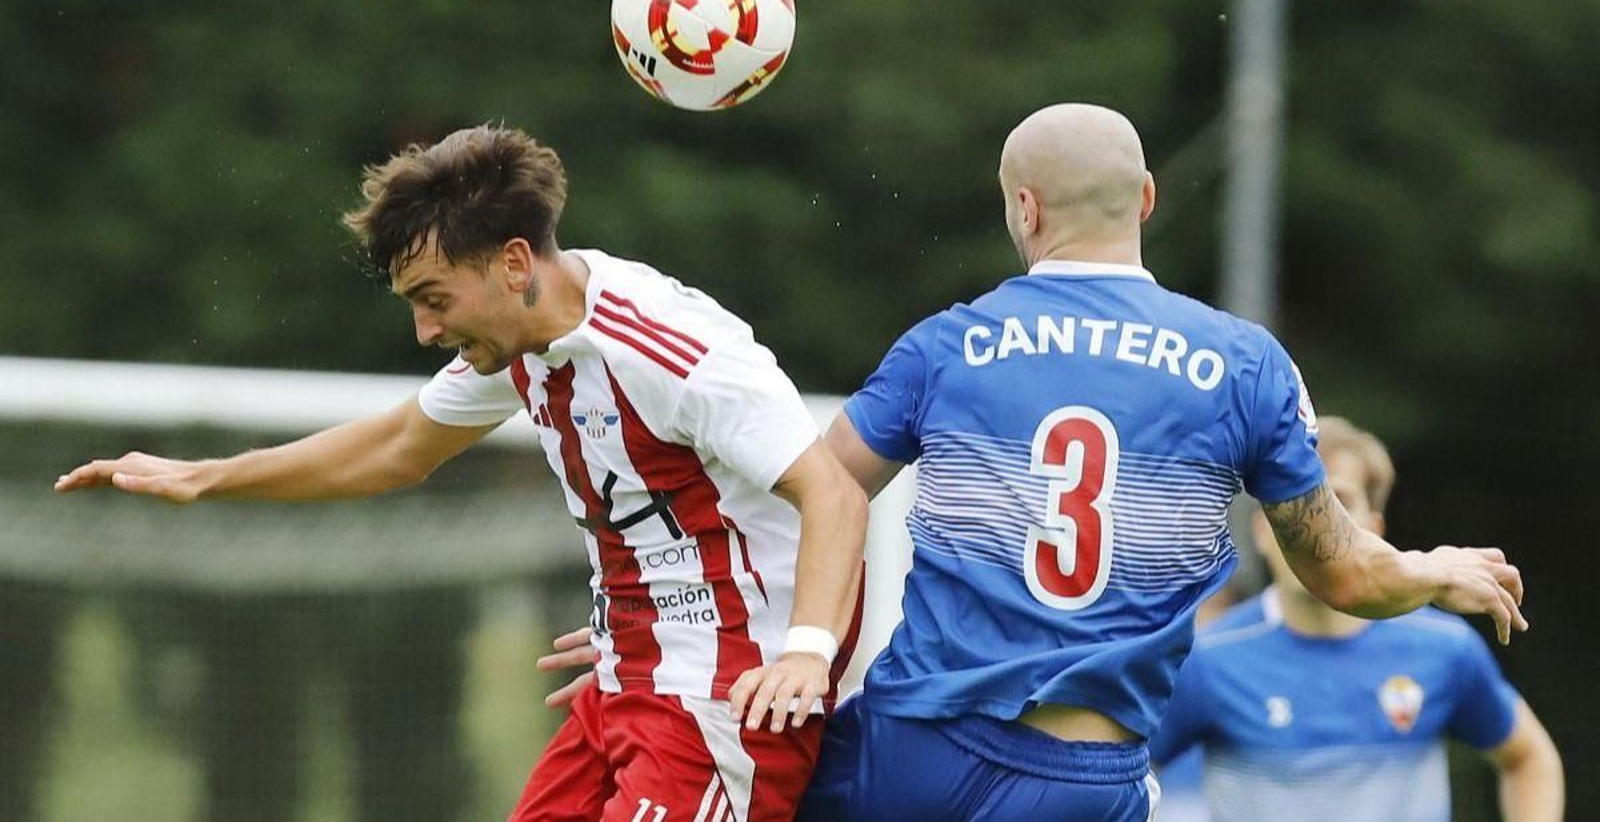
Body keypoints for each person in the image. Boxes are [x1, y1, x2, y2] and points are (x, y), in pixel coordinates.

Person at [534, 103, 1528, 820]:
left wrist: (683, 635)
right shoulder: (1243, 365)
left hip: (907, 756)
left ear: (1023, 208)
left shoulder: (946, 346)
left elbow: (806, 496)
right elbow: (1344, 573)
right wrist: (1431, 570)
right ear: (1144, 197)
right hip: (1078, 780)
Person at [54, 124, 871, 822]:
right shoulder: (523, 343)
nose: (422, 329)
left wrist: (801, 652)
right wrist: (207, 477)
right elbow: (400, 446)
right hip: (633, 680)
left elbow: (831, 493)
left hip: (723, 703)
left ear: (514, 264)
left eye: (434, 298)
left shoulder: (674, 353)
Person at [1150, 416, 1564, 822]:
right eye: (1293, 506)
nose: (1316, 529)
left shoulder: (1443, 647)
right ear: (1262, 531)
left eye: (1340, 505)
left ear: (1374, 533)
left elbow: (1529, 758)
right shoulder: (1207, 660)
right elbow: (1125, 770)